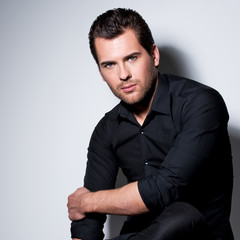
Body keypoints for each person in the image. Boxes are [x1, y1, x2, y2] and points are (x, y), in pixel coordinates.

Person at [67, 8, 234, 240]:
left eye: (131, 58)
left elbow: (164, 189)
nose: (123, 74)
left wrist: (88, 201)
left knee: (182, 215)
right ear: (100, 72)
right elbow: (86, 220)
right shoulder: (107, 130)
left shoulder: (201, 103)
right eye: (110, 65)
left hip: (198, 234)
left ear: (154, 55)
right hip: (140, 235)